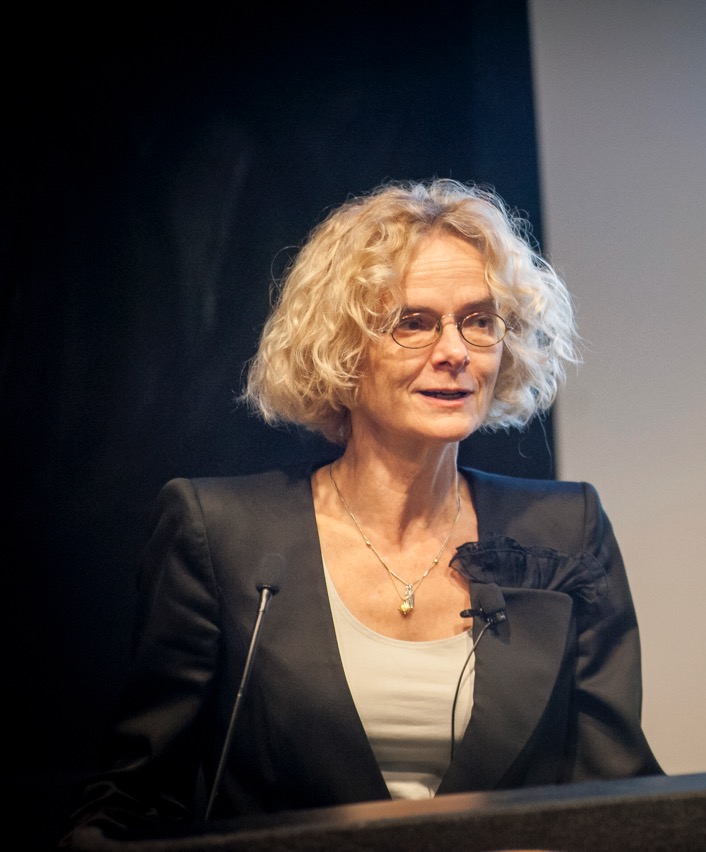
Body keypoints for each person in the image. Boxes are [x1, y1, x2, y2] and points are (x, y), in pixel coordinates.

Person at [63, 179, 663, 844]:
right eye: (414, 322)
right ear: (342, 348)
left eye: (480, 320)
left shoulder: (565, 530)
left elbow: (621, 799)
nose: (456, 351)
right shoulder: (221, 535)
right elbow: (134, 801)